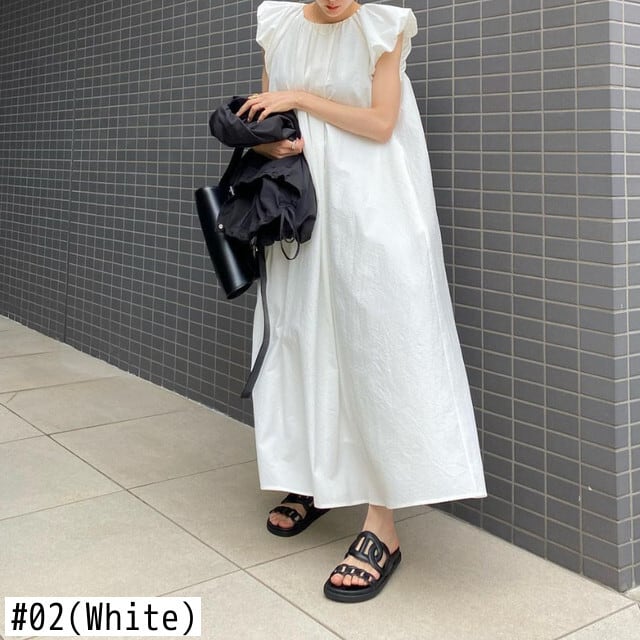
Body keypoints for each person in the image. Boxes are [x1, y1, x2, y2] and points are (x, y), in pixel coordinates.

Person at [236, 0, 487, 603]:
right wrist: (269, 144)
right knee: (300, 339)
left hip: (373, 204)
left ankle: (382, 523)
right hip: (301, 208)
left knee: (378, 350)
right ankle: (313, 479)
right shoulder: (278, 24)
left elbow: (380, 122)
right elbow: (271, 119)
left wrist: (300, 97)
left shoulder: (382, 26)